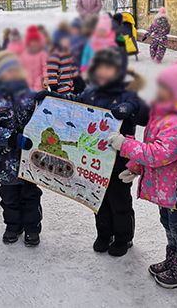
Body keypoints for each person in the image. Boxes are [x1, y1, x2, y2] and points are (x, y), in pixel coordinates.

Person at [109, 57, 177, 289]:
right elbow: (152, 143)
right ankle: (173, 259)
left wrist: (125, 146)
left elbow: (159, 154)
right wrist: (134, 168)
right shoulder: (165, 114)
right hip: (165, 188)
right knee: (168, 223)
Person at [38, 48, 149, 256]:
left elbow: (144, 115)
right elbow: (74, 101)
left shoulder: (129, 91)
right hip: (94, 161)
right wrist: (51, 97)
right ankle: (104, 233)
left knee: (120, 202)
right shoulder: (91, 92)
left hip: (118, 161)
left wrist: (130, 107)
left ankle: (124, 237)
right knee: (99, 201)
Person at [0, 51, 42, 246]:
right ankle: (13, 226)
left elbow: (44, 118)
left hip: (29, 160)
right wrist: (11, 138)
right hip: (3, 161)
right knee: (9, 197)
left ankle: (32, 228)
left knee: (31, 196)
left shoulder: (30, 95)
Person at [47, 24, 78, 94]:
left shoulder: (68, 52)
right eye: (65, 39)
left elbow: (72, 67)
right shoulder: (55, 53)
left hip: (70, 86)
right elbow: (51, 71)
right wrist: (53, 86)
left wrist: (77, 79)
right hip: (60, 88)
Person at [21, 25, 48, 91]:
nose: (33, 43)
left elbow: (45, 66)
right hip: (27, 80)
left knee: (38, 95)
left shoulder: (42, 53)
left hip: (38, 81)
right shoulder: (24, 54)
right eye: (31, 41)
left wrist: (45, 78)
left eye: (35, 41)